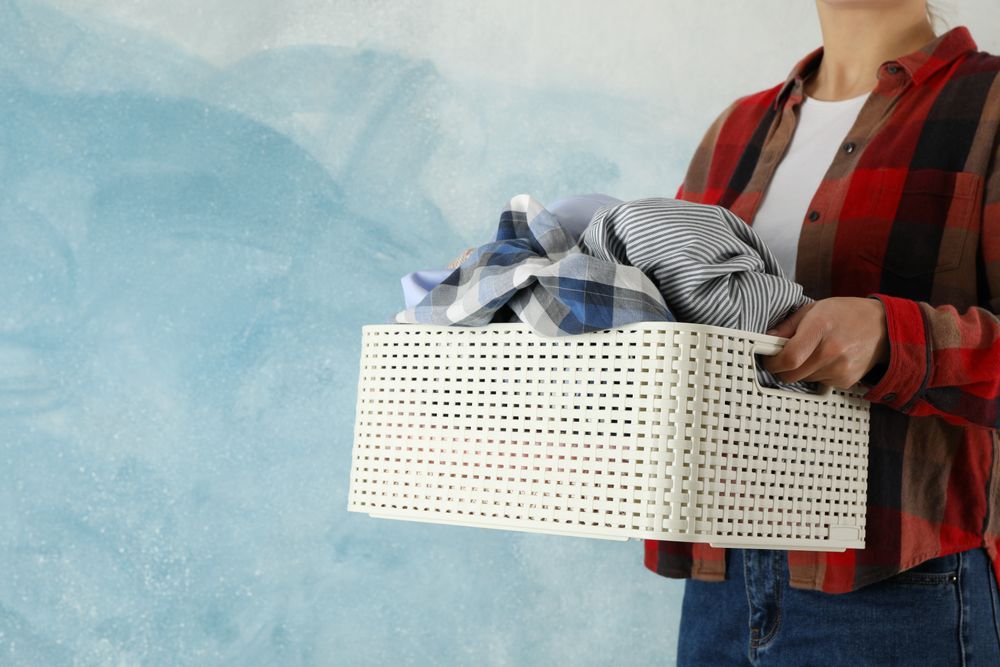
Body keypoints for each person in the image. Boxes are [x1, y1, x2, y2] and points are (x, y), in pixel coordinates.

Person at [644, 1, 1000, 664]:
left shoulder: (990, 105)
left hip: (896, 585)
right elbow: (670, 323)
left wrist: (894, 340)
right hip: (719, 582)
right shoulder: (736, 128)